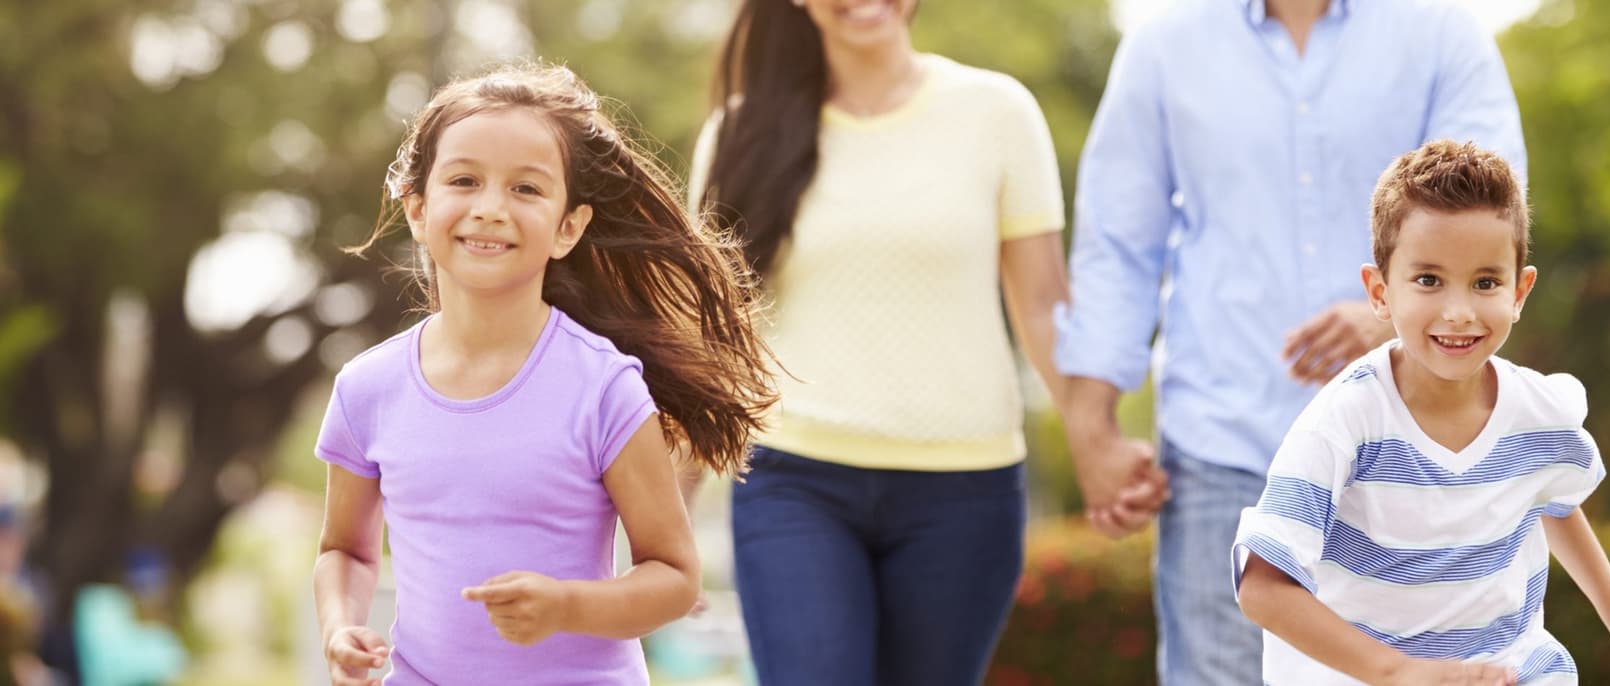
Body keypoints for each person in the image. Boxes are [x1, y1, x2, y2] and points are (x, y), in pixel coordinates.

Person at [1056, 0, 1529, 682]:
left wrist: (1388, 317)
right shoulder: (1164, 47)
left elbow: (1494, 213)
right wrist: (1090, 423)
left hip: (1404, 455)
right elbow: (1117, 244)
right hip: (1224, 445)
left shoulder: (1440, 34)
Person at [312, 64, 778, 686]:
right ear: (418, 209)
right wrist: (339, 628)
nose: (490, 209)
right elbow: (344, 550)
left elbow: (673, 578)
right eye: (464, 180)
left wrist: (566, 607)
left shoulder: (604, 388)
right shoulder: (366, 389)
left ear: (568, 227)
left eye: (526, 189)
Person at [686, 1, 1092, 684]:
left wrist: (1097, 444)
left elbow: (1044, 308)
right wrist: (668, 519)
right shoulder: (738, 134)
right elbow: (710, 344)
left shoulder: (996, 112)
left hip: (965, 490)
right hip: (794, 479)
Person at [1232, 140, 1610, 685]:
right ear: (1379, 292)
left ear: (1519, 292)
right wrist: (1398, 672)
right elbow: (1261, 585)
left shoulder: (1537, 412)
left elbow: (1553, 497)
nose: (1459, 312)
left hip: (1506, 669)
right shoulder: (1343, 423)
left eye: (1485, 283)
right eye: (1429, 280)